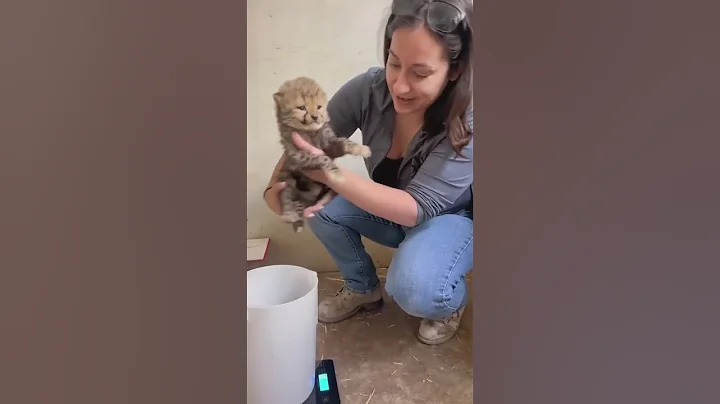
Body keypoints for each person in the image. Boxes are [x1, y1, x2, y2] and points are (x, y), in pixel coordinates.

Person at [263, 0, 473, 345]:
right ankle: (363, 288)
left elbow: (415, 208)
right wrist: (277, 191)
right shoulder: (369, 90)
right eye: (394, 62)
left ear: (454, 69)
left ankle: (447, 302)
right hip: (393, 211)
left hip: (452, 218)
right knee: (312, 196)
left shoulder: (470, 116)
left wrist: (331, 175)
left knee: (413, 288)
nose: (400, 86)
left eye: (420, 73)